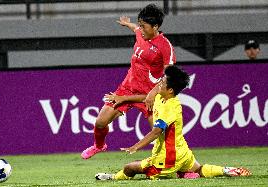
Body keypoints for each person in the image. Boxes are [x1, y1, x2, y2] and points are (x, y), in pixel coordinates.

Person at [95, 65, 251, 180]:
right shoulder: (161, 97)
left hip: (168, 158)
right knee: (200, 169)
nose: (158, 85)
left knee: (130, 168)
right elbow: (144, 98)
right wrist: (122, 98)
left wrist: (136, 146)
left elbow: (157, 131)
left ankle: (113, 178)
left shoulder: (171, 107)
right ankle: (227, 170)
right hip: (183, 151)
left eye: (162, 83)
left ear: (170, 90)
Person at [81, 4, 176, 159]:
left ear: (155, 26)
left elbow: (170, 75)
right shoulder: (141, 33)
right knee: (100, 122)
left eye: (144, 27)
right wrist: (127, 24)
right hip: (128, 88)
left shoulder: (165, 46)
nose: (141, 29)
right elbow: (135, 29)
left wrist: (153, 93)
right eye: (140, 25)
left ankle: (181, 168)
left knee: (161, 136)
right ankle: (99, 146)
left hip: (149, 96)